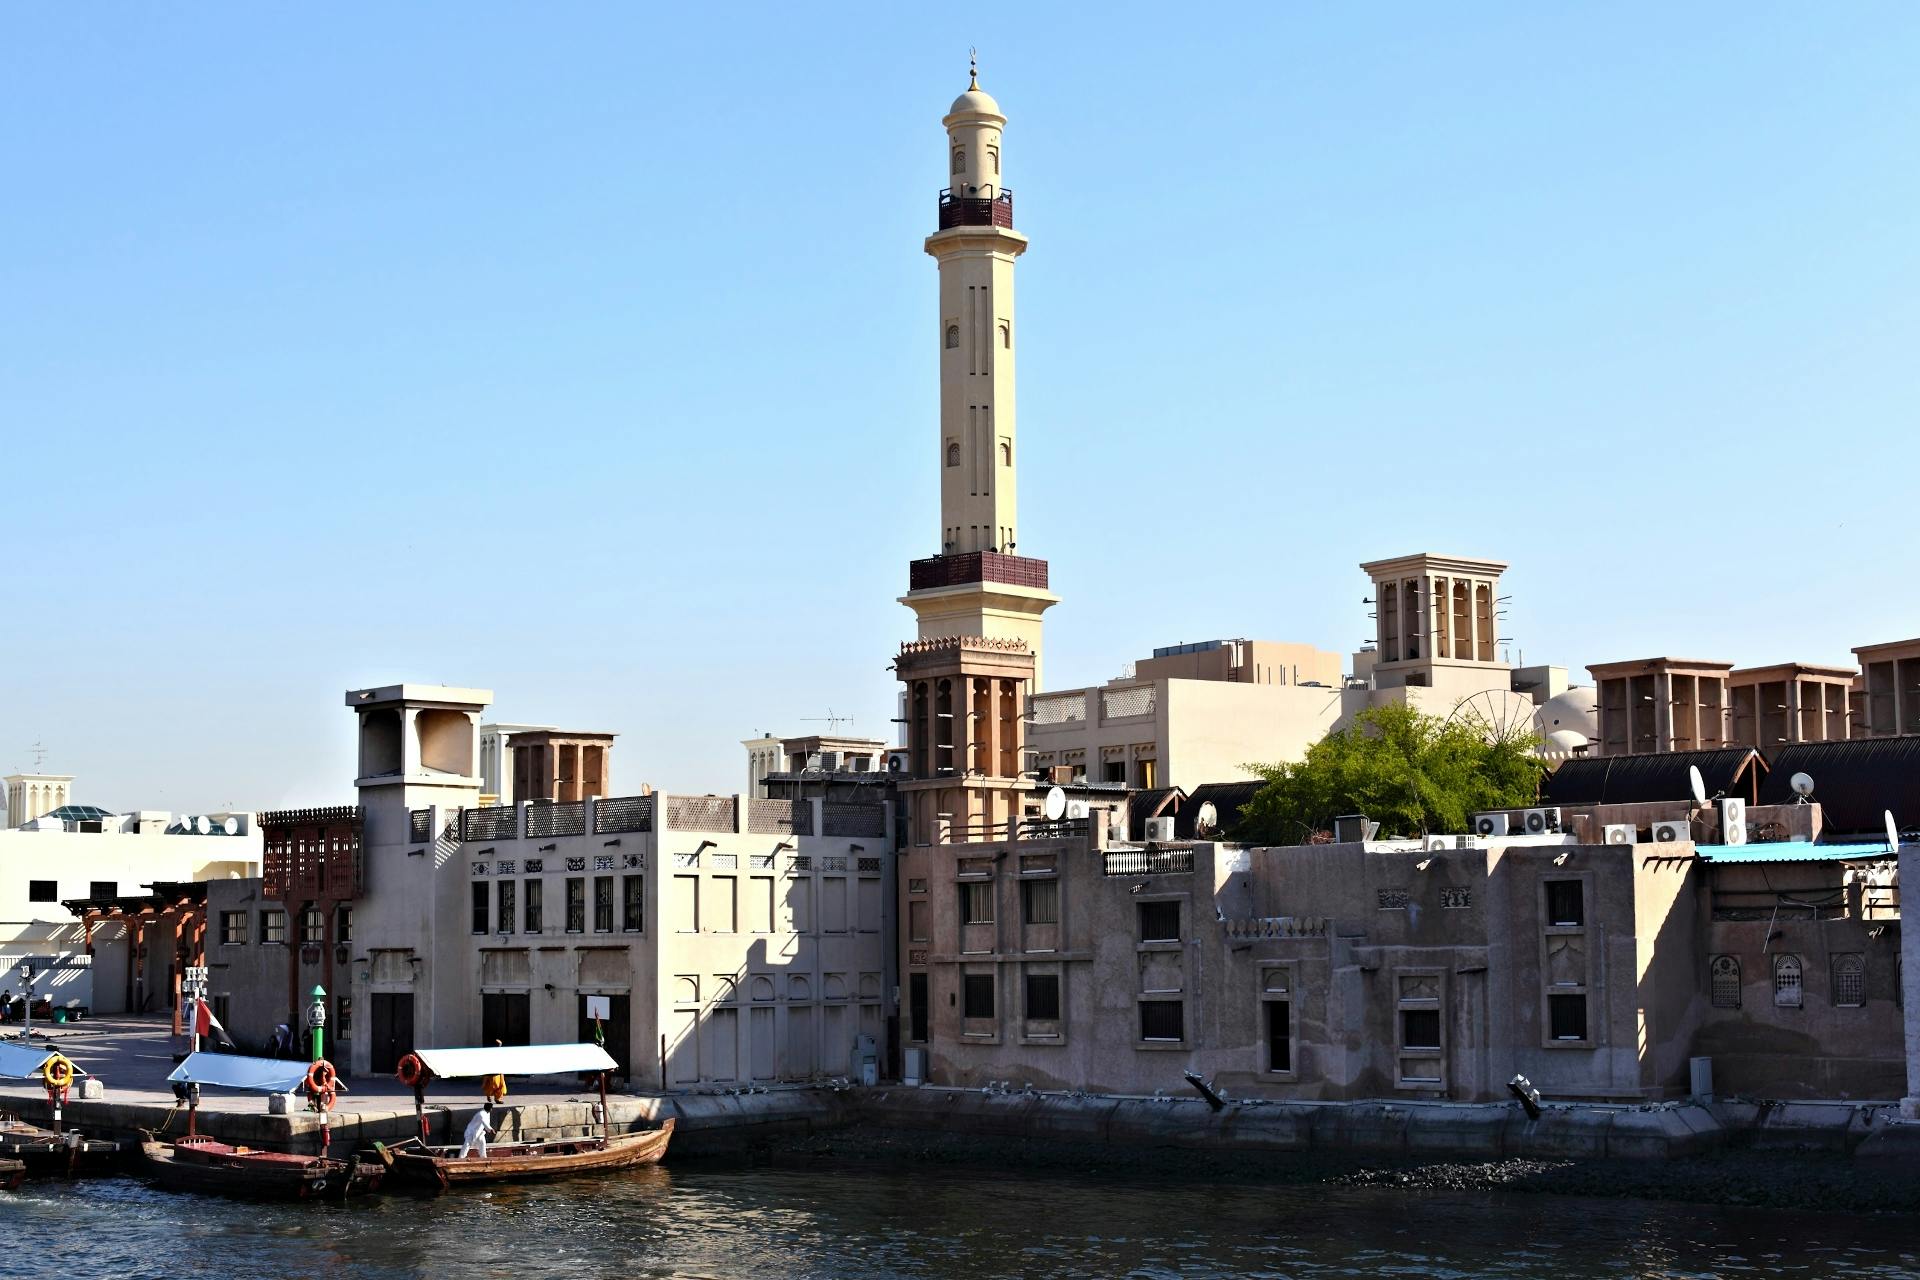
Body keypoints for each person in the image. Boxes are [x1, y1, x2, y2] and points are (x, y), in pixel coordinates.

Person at [482, 1039, 508, 1104]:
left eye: (500, 1045)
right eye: (499, 1045)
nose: (500, 1046)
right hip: (492, 1073)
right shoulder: (490, 1053)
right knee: (493, 1086)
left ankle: (497, 1099)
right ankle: (488, 1095)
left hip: (499, 1072)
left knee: (501, 1086)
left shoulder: (501, 1053)